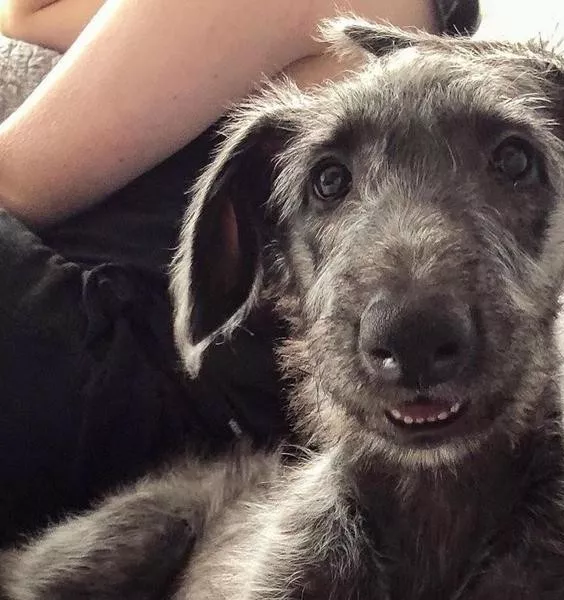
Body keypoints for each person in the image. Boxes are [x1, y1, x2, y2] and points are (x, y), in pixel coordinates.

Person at [0, 0, 480, 545]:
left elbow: (12, 183)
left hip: (125, 378)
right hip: (189, 442)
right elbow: (24, 17)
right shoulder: (412, 39)